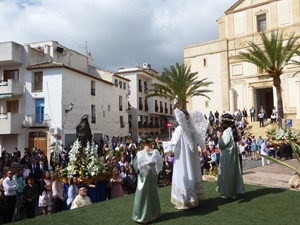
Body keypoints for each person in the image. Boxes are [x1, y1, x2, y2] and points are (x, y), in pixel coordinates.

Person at [169, 108, 207, 210]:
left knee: (183, 174)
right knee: (192, 172)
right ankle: (194, 198)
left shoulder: (179, 129)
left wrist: (162, 145)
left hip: (182, 158)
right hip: (192, 158)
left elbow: (173, 144)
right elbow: (200, 141)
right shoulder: (192, 129)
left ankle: (185, 201)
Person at [132, 132, 163, 223]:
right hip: (153, 180)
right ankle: (155, 213)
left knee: (142, 196)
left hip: (143, 180)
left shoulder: (140, 154)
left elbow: (136, 168)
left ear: (141, 142)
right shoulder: (156, 153)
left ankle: (142, 216)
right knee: (152, 194)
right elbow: (159, 168)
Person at [216, 113, 245, 199]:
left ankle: (228, 193)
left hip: (227, 157)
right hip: (233, 156)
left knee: (227, 174)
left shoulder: (226, 132)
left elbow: (222, 145)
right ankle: (234, 191)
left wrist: (219, 137)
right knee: (233, 173)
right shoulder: (232, 130)